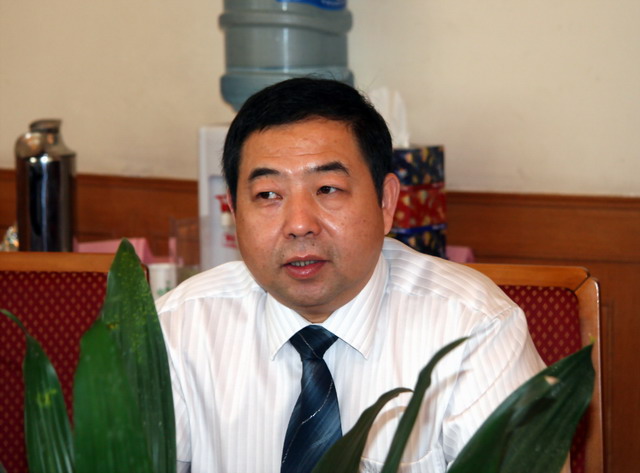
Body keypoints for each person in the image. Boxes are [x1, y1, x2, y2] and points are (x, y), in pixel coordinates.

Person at [156, 77, 545, 473]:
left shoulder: (474, 330)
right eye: (268, 195)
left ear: (386, 202)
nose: (299, 224)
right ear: (234, 212)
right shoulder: (178, 329)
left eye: (328, 188)